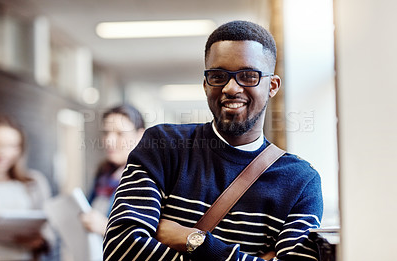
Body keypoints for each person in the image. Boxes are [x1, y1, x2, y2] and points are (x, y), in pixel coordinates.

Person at [103, 20, 323, 261]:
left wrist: (192, 240)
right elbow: (120, 249)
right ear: (206, 84)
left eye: (248, 76)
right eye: (218, 76)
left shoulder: (300, 182)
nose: (231, 87)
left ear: (272, 85)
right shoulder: (162, 146)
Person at [80, 104, 145, 236]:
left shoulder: (147, 180)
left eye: (120, 133)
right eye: (106, 132)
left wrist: (106, 227)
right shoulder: (104, 174)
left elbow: (151, 238)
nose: (109, 141)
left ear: (140, 135)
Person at [0, 115, 52, 260]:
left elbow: (49, 230)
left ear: (20, 150)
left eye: (11, 146)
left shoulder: (34, 182)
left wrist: (40, 241)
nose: (2, 153)